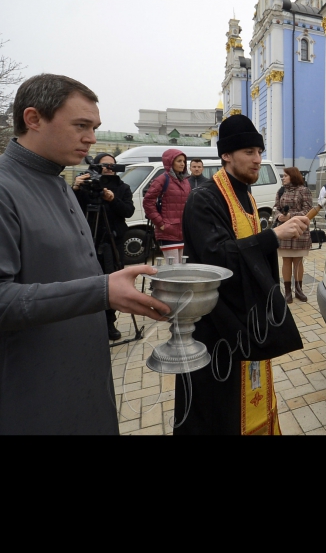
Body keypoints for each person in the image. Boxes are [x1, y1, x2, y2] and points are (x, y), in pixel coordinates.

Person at [0, 74, 169, 435]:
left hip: (87, 385)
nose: (91, 138)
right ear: (33, 119)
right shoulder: (5, 189)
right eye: (81, 125)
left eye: (94, 127)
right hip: (36, 399)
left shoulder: (58, 181)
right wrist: (102, 291)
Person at [174, 115, 309, 435]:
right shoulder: (204, 198)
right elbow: (217, 259)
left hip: (242, 319)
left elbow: (247, 253)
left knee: (246, 398)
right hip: (213, 326)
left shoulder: (245, 195)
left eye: (260, 151)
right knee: (217, 408)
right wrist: (273, 237)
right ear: (226, 155)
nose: (258, 159)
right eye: (249, 151)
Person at [74, 153, 136, 341]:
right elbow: (73, 209)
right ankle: (88, 322)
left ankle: (109, 322)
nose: (108, 167)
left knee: (111, 281)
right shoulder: (86, 185)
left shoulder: (123, 187)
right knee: (88, 280)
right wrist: (75, 189)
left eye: (111, 164)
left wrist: (112, 199)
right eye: (104, 164)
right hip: (89, 239)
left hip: (113, 240)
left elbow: (128, 211)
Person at [143, 149, 191, 264]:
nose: (182, 164)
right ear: (170, 162)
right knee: (173, 269)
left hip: (183, 231)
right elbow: (148, 202)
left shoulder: (185, 180)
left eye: (183, 161)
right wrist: (160, 223)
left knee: (183, 269)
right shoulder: (162, 179)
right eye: (179, 161)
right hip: (168, 231)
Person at [274, 167, 313, 304]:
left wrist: (291, 216)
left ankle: (299, 290)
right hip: (284, 231)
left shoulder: (304, 190)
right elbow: (275, 208)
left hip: (299, 231)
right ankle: (288, 292)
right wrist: (279, 217)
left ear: (293, 176)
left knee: (298, 261)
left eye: (285, 175)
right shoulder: (281, 191)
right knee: (286, 261)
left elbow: (308, 211)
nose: (283, 178)